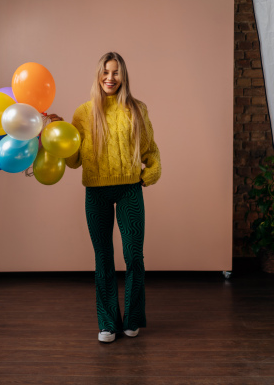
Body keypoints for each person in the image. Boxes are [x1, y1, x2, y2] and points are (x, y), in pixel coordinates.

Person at [48, 52, 161, 343]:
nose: (110, 78)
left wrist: (149, 174)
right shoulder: (83, 112)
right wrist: (59, 133)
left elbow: (150, 150)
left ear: (124, 76)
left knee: (134, 256)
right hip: (96, 190)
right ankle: (108, 323)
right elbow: (74, 161)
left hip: (129, 189)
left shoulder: (137, 109)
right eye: (105, 72)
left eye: (116, 73)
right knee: (103, 257)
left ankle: (133, 319)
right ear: (98, 75)